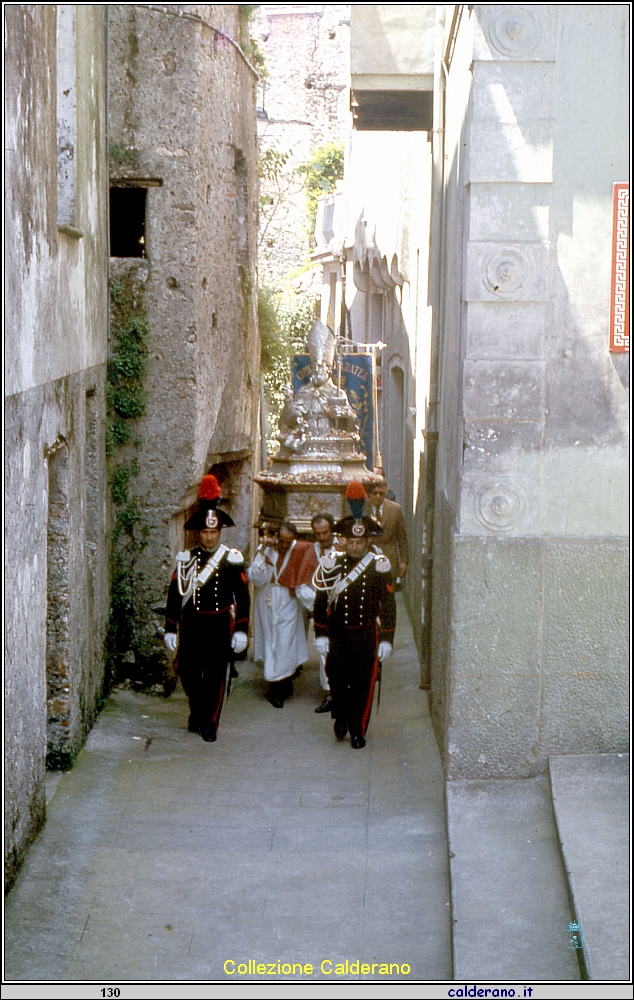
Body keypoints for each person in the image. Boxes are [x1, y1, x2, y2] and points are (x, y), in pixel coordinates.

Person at [164, 475, 249, 743]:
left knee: (215, 675)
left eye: (214, 532)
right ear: (198, 532)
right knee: (185, 670)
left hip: (219, 624)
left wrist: (242, 630)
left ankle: (210, 721)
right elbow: (175, 594)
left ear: (219, 532)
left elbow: (243, 596)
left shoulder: (231, 559)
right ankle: (198, 709)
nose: (209, 537)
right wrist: (170, 627)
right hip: (192, 624)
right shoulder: (186, 559)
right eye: (205, 532)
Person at [313, 483, 396, 749]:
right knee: (337, 681)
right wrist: (321, 633)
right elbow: (321, 598)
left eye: (360, 541)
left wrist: (387, 638)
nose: (356, 546)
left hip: (365, 633)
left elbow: (388, 603)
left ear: (367, 541)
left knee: (363, 684)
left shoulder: (378, 565)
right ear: (345, 540)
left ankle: (358, 729)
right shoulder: (333, 563)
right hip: (339, 632)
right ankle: (339, 714)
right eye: (351, 541)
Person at [248, 521, 317, 708]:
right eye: (282, 541)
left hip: (288, 600)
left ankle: (282, 682)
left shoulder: (300, 550)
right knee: (271, 642)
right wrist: (262, 551)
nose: (285, 546)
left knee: (285, 642)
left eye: (289, 542)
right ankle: (275, 687)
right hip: (267, 600)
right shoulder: (266, 550)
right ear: (276, 537)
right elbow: (256, 577)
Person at [304, 513, 338, 714]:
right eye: (318, 534)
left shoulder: (343, 549)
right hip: (321, 611)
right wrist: (316, 604)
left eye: (325, 533)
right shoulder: (310, 552)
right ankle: (330, 695)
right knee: (325, 653)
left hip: (342, 609)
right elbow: (301, 584)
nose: (322, 537)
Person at [365, 478, 409, 584]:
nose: (378, 496)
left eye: (381, 493)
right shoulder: (362, 509)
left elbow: (402, 538)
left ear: (386, 492)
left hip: (390, 561)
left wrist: (404, 562)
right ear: (369, 494)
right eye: (375, 493)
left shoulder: (395, 509)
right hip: (366, 561)